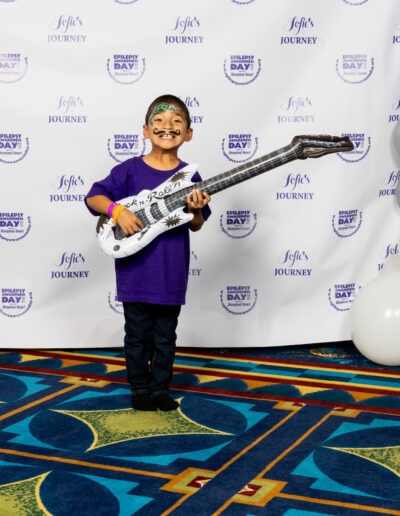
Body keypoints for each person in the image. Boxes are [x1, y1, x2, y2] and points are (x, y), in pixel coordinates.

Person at [85, 94, 211, 411]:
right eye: (159, 120)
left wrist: (196, 210)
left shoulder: (191, 176)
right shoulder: (129, 170)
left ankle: (160, 388)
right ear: (145, 130)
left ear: (188, 134)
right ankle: (140, 387)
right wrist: (118, 212)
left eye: (177, 121)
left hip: (171, 271)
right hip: (135, 270)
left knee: (165, 336)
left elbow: (196, 225)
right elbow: (93, 197)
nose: (167, 126)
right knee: (137, 334)